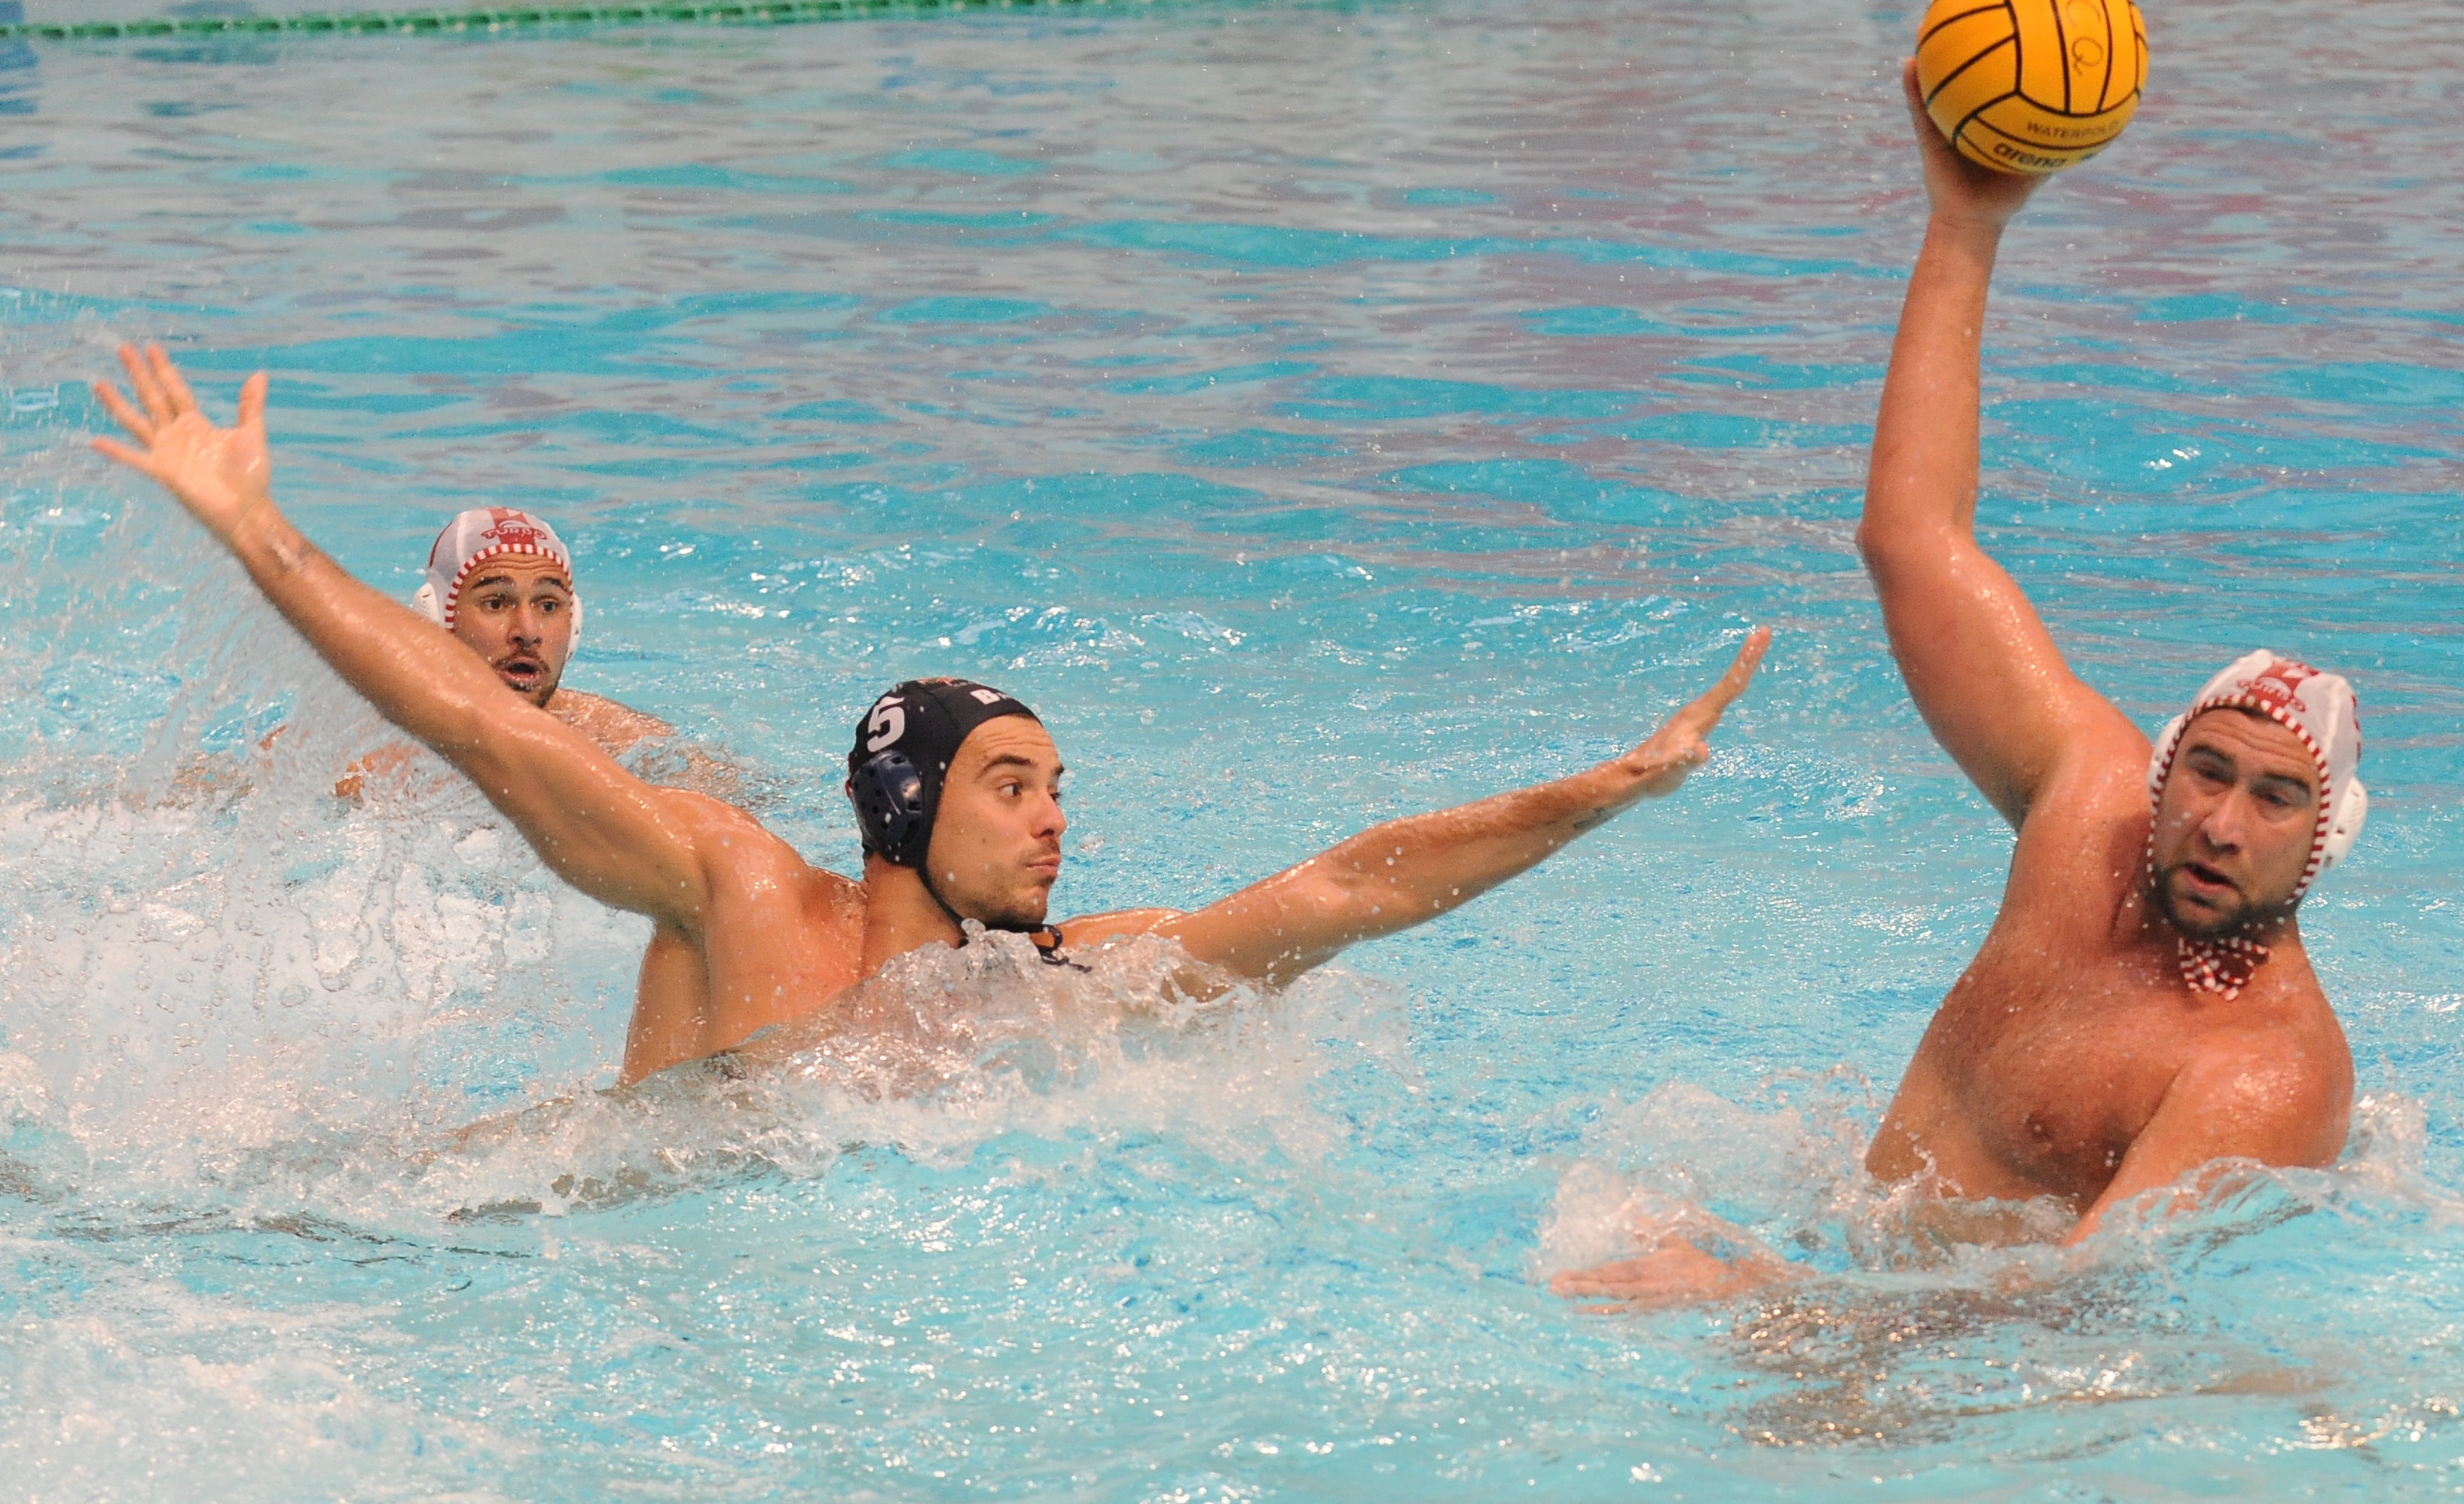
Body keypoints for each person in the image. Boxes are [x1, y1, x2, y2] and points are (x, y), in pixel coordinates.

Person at [90, 342, 1771, 1086]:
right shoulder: (734, 889)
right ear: (909, 805)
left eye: (1057, 784)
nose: (1056, 818)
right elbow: (486, 740)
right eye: (1014, 784)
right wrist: (261, 538)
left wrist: (1604, 788)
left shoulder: (1057, 978)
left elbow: (1347, 886)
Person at [1551, 63, 2365, 1310]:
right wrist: (1966, 221)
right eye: (2205, 771)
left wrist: (1758, 1291)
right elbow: (1912, 541)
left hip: (1957, 1390)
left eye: (2275, 798)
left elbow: (2073, 1319)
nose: (2220, 821)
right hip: (1843, 1295)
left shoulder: (2265, 1073)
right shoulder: (2084, 806)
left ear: (2322, 841)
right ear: (2159, 770)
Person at [333, 506, 686, 800]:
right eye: (496, 603)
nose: (528, 633)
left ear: (574, 623)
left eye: (548, 605)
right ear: (438, 619)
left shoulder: (629, 743)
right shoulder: (362, 765)